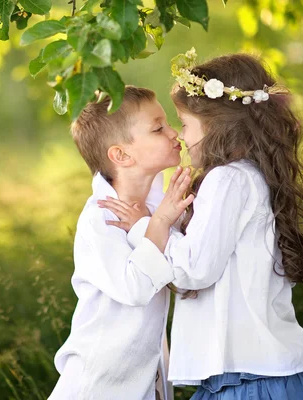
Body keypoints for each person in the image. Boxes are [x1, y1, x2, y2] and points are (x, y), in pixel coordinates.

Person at [99, 50, 303, 399]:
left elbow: (195, 269)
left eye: (184, 124)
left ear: (216, 125)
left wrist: (146, 226)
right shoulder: (251, 176)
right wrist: (179, 220)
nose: (180, 136)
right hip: (260, 366)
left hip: (247, 374)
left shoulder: (226, 180)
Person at [49, 86, 194, 400]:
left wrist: (155, 220)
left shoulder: (160, 208)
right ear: (121, 155)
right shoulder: (99, 219)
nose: (174, 134)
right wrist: (158, 224)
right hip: (98, 384)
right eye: (158, 128)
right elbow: (135, 288)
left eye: (169, 124)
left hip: (145, 380)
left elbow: (182, 271)